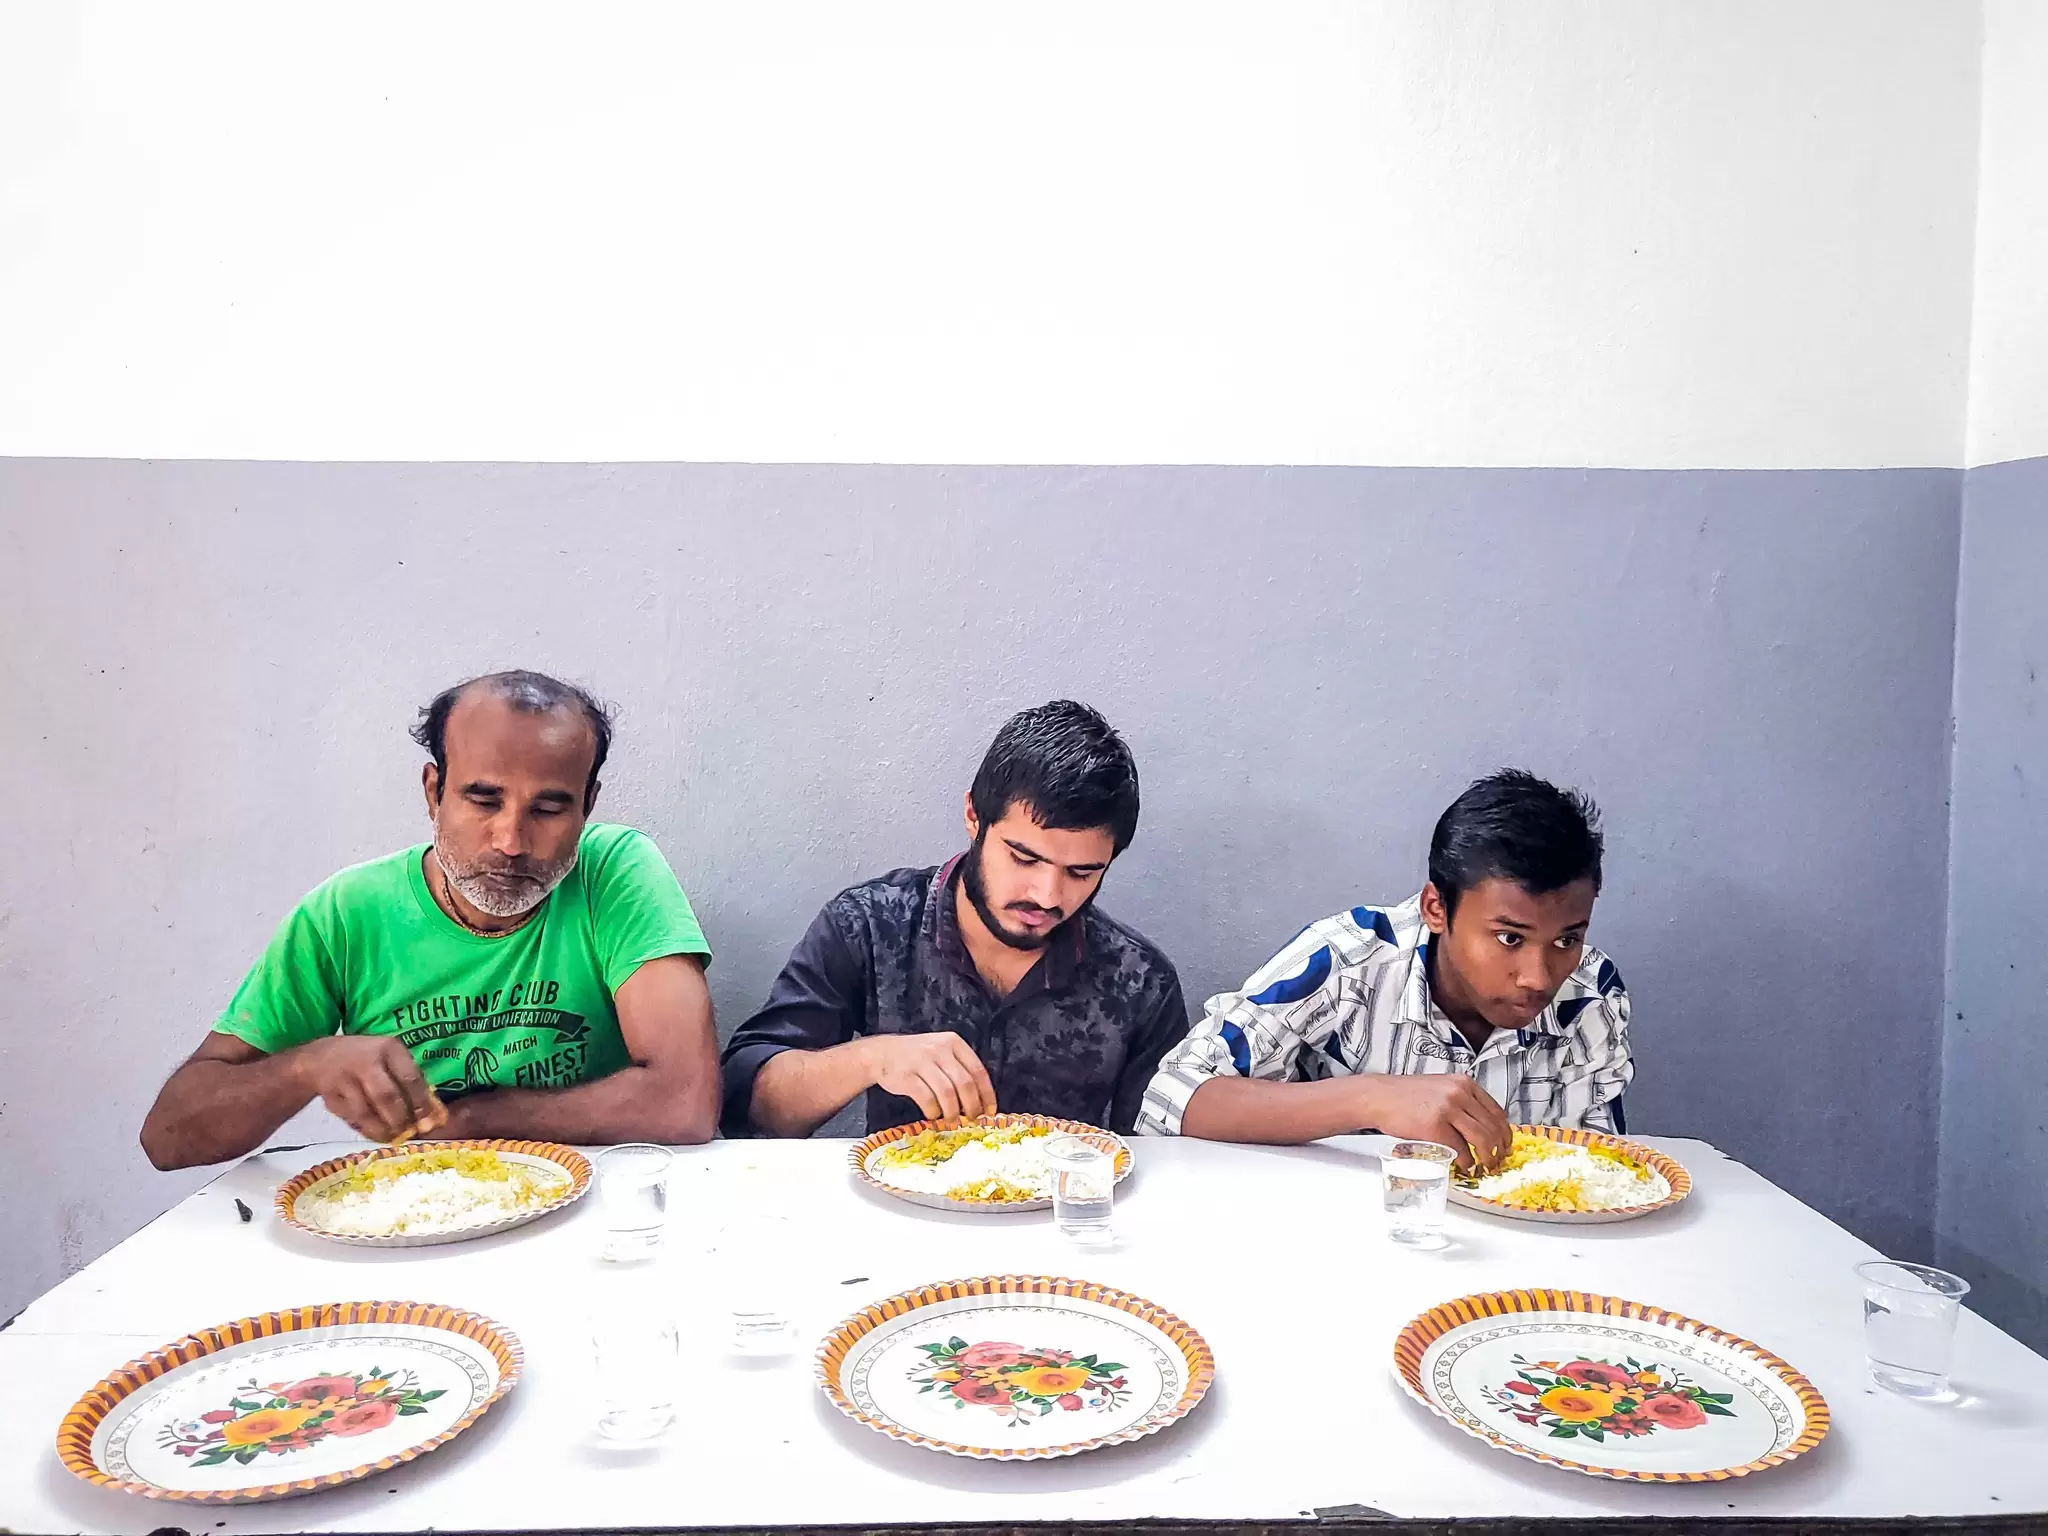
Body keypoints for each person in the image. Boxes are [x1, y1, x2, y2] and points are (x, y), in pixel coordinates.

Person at [140, 671, 719, 1170]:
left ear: (587, 806)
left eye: (547, 808)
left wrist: (464, 1123)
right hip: (417, 1222)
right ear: (434, 791)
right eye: (483, 801)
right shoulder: (346, 915)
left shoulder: (613, 872)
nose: (511, 841)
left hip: (599, 1210)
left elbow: (684, 1104)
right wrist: (306, 1066)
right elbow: (168, 1138)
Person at [721, 700, 1188, 1138]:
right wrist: (869, 1058)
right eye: (1023, 858)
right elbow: (746, 1108)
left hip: (1062, 1198)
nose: (1047, 895)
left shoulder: (1140, 981)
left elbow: (1160, 1155)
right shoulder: (870, 925)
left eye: (1081, 873)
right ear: (973, 816)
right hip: (899, 1196)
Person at [1138, 769, 1630, 1167]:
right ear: (1436, 909)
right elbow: (1171, 1098)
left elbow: (1600, 1174)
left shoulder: (1590, 998)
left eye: (1567, 940)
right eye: (1509, 938)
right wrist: (1371, 1099)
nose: (1539, 977)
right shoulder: (1348, 963)